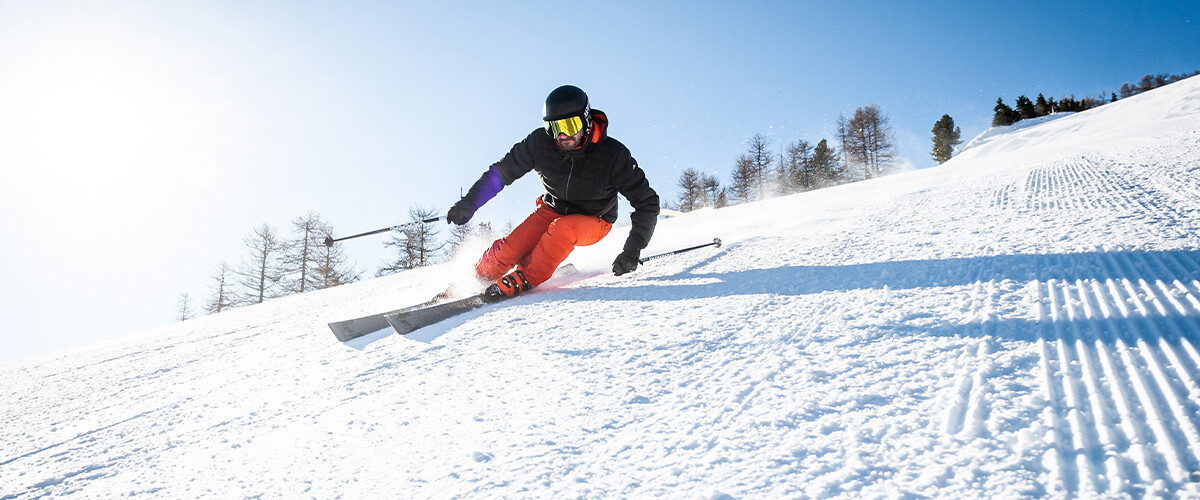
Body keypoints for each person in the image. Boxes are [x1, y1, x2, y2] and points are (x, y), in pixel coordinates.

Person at [446, 85, 659, 301]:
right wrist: (469, 203)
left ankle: (526, 276)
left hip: (595, 219)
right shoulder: (541, 143)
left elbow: (647, 203)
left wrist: (632, 251)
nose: (563, 135)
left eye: (570, 125)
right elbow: (501, 172)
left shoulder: (613, 155)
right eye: (555, 128)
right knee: (509, 249)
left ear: (586, 121)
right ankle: (477, 277)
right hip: (552, 208)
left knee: (562, 230)